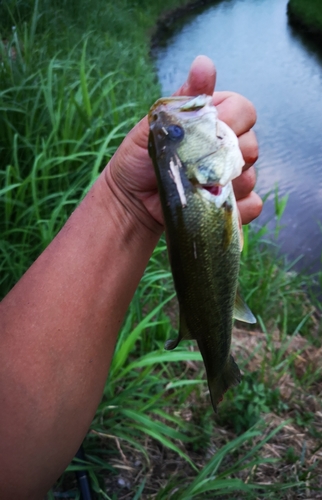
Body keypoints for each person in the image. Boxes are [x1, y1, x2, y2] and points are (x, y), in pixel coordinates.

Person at [0, 55, 262, 499]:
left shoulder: (198, 179)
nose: (165, 124)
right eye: (173, 135)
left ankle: (218, 364)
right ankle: (221, 368)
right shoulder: (202, 180)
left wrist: (125, 203)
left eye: (171, 133)